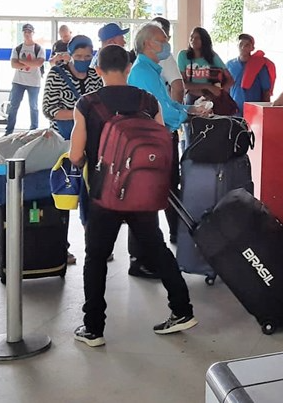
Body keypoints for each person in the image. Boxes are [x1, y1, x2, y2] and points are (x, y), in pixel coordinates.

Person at [69, 45, 198, 347]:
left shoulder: (87, 104)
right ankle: (182, 310)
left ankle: (93, 328)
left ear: (97, 70)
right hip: (142, 191)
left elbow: (75, 156)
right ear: (128, 69)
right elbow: (158, 144)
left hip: (104, 195)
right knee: (157, 248)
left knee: (96, 257)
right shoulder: (147, 100)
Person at [128, 23, 211, 275]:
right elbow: (159, 111)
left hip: (156, 139)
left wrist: (191, 110)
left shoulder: (152, 70)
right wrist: (187, 116)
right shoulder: (142, 71)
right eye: (162, 40)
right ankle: (141, 260)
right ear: (147, 44)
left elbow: (165, 103)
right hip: (149, 142)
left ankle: (146, 256)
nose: (166, 44)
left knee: (151, 200)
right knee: (145, 202)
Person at [43, 35, 102, 140]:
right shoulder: (56, 74)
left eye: (87, 56)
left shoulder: (95, 76)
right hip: (62, 138)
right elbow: (48, 109)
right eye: (78, 56)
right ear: (70, 55)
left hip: (90, 138)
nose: (83, 60)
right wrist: (80, 114)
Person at [178, 26, 233, 112]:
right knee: (191, 123)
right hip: (191, 99)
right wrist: (208, 87)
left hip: (210, 100)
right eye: (191, 37)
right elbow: (183, 84)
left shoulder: (212, 56)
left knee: (210, 124)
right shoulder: (183, 55)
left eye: (197, 38)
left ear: (204, 40)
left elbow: (230, 79)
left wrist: (219, 92)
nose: (193, 40)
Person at [5, 23, 45, 135]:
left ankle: (33, 131)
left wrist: (21, 61)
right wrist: (30, 63)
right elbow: (14, 64)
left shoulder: (38, 48)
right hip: (18, 81)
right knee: (13, 106)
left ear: (33, 33)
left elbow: (38, 63)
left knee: (34, 107)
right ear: (23, 33)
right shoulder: (18, 48)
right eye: (25, 32)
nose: (27, 34)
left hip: (34, 82)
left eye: (29, 32)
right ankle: (9, 131)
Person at [226, 33, 275, 114]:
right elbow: (226, 89)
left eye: (247, 45)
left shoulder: (259, 66)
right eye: (241, 44)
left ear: (252, 48)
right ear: (237, 45)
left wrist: (266, 112)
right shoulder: (230, 65)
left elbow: (266, 92)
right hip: (235, 110)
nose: (243, 47)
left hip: (254, 111)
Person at [150, 17, 186, 104]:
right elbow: (178, 88)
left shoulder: (137, 57)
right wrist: (176, 113)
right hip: (161, 111)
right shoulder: (165, 57)